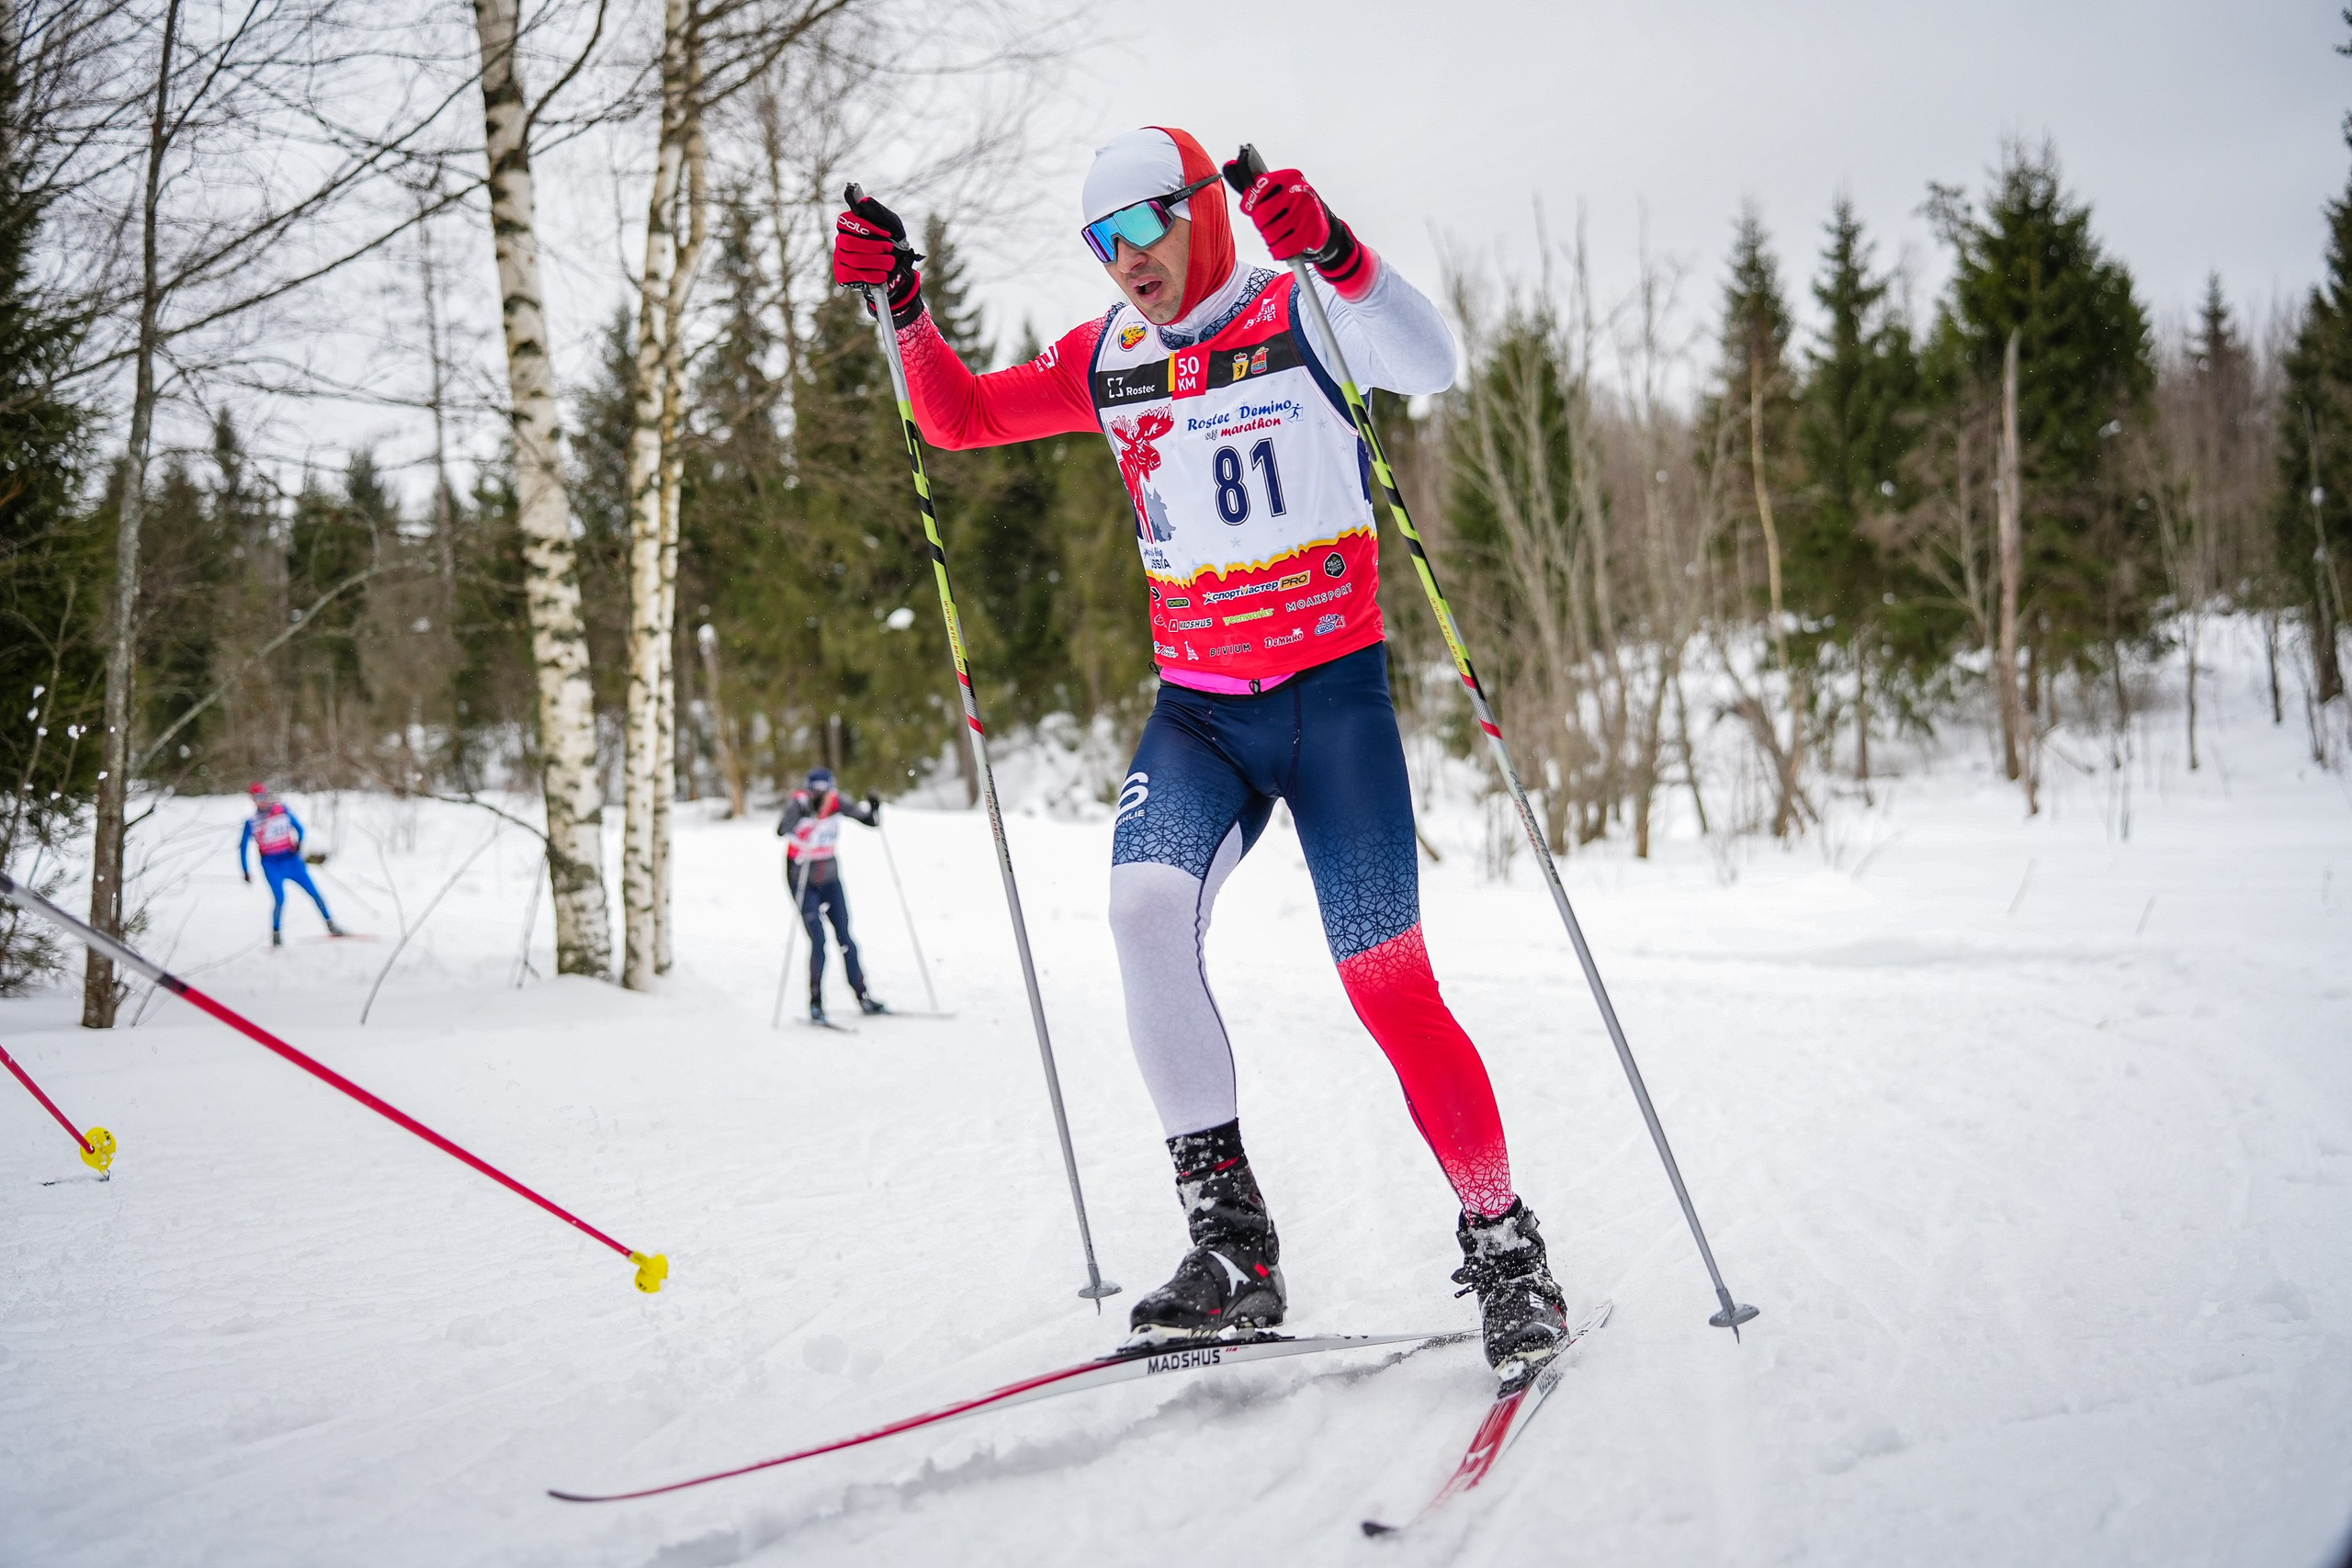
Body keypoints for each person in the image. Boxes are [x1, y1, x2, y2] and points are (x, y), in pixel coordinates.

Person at [833, 129, 1569, 1371]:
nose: (1127, 264)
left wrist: (1335, 251)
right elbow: (955, 418)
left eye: (1145, 230)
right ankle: (1234, 1247)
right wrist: (901, 305)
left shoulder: (1304, 308)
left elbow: (1432, 360)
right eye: (1102, 245)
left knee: (1387, 979)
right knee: (1139, 914)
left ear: (1205, 212)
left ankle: (1506, 1248)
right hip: (1201, 715)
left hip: (1330, 704)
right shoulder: (1111, 357)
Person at [776, 767, 888, 1024]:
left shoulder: (838, 802)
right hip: (802, 878)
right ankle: (816, 1003)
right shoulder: (799, 804)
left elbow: (870, 822)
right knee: (819, 941)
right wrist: (806, 818)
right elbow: (781, 830)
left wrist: (874, 808)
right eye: (816, 792)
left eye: (826, 792)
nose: (823, 798)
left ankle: (863, 995)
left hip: (830, 879)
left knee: (846, 938)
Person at [239, 783, 342, 946]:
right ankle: (276, 934)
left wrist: (298, 845)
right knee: (280, 899)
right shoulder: (252, 822)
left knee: (315, 893)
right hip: (271, 865)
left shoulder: (282, 810)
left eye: (264, 796)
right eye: (257, 798)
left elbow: (300, 829)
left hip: (292, 861)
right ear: (253, 800)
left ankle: (332, 925)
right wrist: (245, 871)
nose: (262, 800)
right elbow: (243, 848)